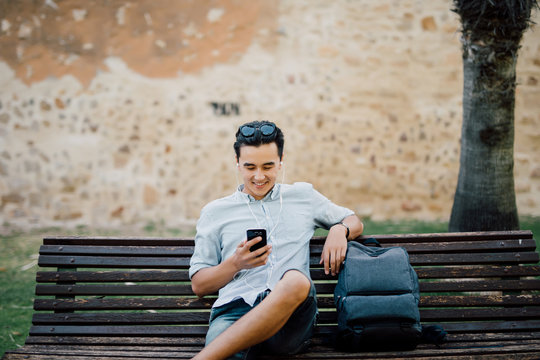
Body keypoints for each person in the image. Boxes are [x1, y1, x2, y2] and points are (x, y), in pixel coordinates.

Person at [189, 120, 364, 359]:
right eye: (250, 167)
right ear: (237, 164)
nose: (259, 176)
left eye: (268, 166)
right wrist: (236, 264)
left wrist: (338, 229)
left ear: (281, 163)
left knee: (295, 280)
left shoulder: (303, 196)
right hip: (234, 313)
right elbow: (200, 285)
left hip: (290, 318)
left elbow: (354, 220)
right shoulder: (215, 211)